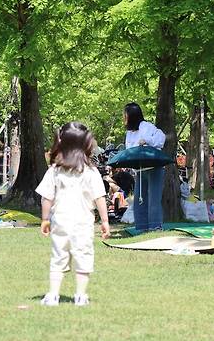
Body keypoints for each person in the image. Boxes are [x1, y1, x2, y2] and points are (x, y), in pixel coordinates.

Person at [36, 122, 110, 307]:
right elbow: (99, 197)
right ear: (86, 145)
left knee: (58, 257)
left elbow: (47, 198)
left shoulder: (55, 170)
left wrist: (45, 219)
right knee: (83, 257)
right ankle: (80, 295)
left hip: (60, 221)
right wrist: (105, 220)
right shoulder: (91, 172)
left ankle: (53, 295)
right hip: (83, 223)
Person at [124, 102, 167, 232]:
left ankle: (155, 226)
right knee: (138, 200)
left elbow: (161, 139)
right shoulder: (130, 133)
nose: (124, 118)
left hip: (154, 167)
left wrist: (147, 141)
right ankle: (141, 227)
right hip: (140, 169)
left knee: (154, 199)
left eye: (125, 115)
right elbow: (129, 149)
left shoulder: (146, 126)